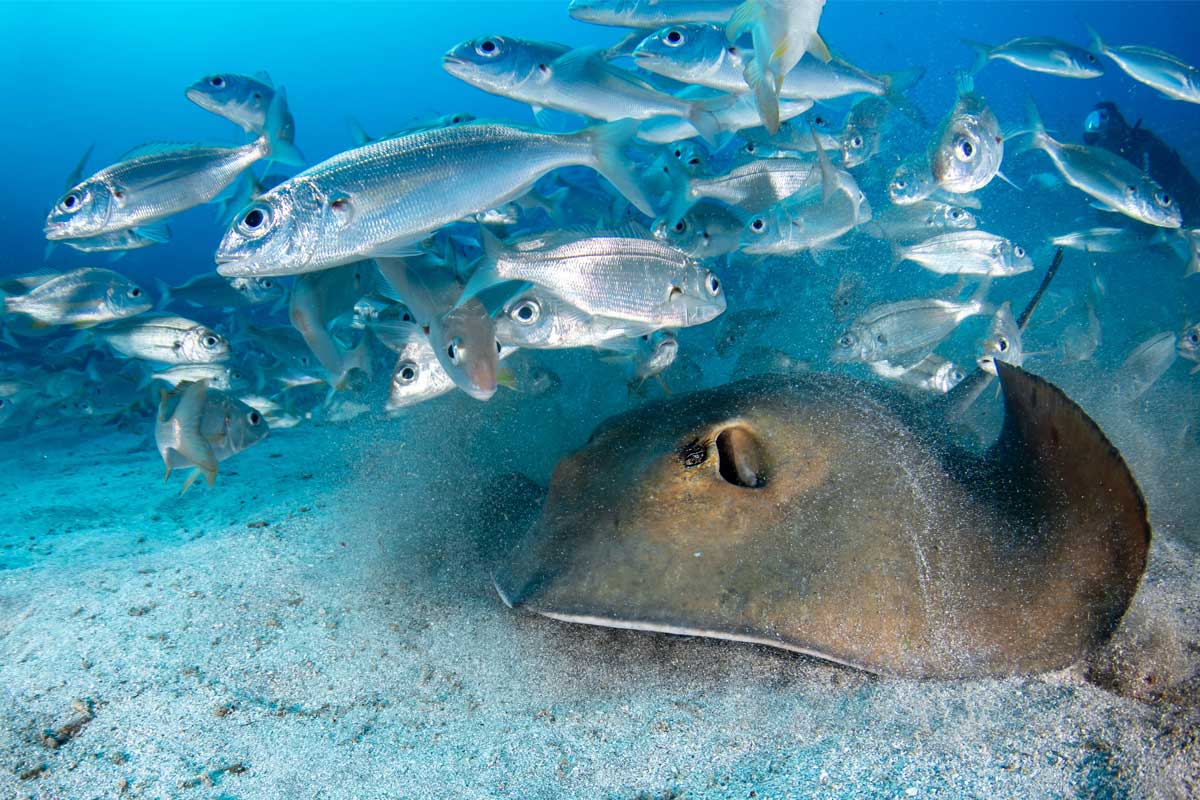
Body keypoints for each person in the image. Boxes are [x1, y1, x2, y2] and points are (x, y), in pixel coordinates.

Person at [1083, 101, 1200, 225]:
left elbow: (1169, 189)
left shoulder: (1146, 147)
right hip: (1150, 229)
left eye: (1105, 118)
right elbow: (1107, 216)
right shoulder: (1106, 164)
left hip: (1180, 218)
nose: (1098, 146)